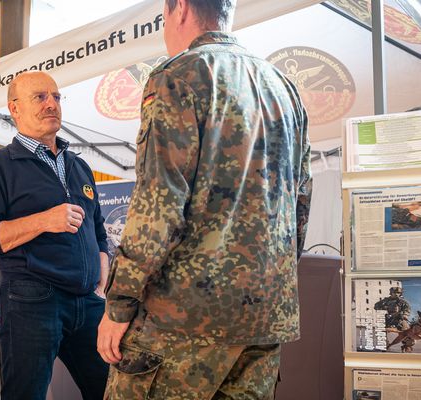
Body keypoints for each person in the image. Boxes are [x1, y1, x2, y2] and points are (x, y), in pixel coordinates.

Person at [97, 0, 311, 399]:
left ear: (178, 7)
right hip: (263, 317)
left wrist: (119, 305)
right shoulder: (284, 88)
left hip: (183, 318)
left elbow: (157, 207)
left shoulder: (179, 76)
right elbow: (299, 203)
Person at [0, 71, 109, 400]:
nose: (51, 104)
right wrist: (44, 220)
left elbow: (97, 229)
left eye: (56, 97)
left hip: (87, 301)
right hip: (30, 300)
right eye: (40, 97)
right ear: (14, 109)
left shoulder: (79, 167)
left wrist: (102, 275)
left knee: (113, 389)